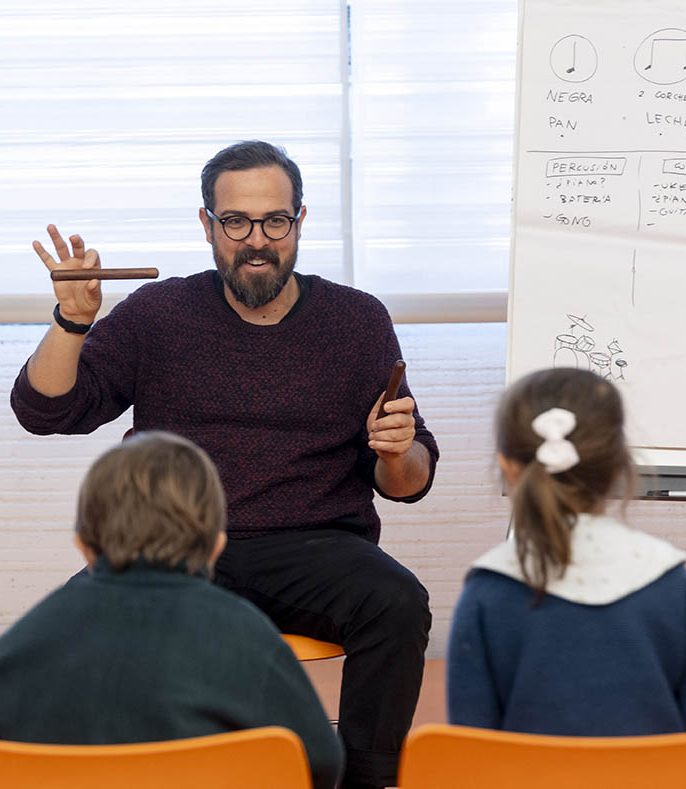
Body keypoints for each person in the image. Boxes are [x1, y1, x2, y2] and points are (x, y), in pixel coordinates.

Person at [10, 140, 439, 789]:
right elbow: (47, 411)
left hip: (317, 546)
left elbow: (406, 483)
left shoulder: (356, 320)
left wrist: (396, 447)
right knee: (80, 624)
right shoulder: (159, 314)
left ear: (299, 220)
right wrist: (72, 322)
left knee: (397, 600)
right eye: (236, 221)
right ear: (207, 224)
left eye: (274, 220)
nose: (256, 239)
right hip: (175, 546)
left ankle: (367, 778)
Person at [0, 431, 343, 789]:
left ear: (83, 547)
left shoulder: (23, 641)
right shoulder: (251, 638)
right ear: (215, 547)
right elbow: (321, 764)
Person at [447, 367, 686, 735]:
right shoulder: (674, 584)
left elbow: (472, 755)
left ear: (507, 467)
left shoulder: (486, 593)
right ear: (619, 464)